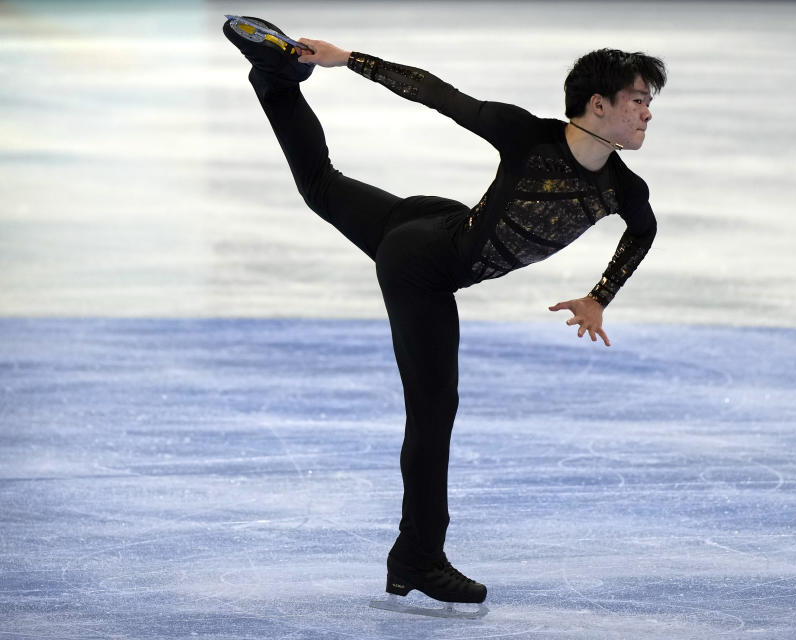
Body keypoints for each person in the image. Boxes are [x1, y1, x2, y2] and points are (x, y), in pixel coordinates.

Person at [223, 16, 665, 607]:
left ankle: (275, 81)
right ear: (598, 103)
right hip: (423, 267)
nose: (647, 113)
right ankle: (419, 557)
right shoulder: (526, 135)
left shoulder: (622, 188)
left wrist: (598, 296)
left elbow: (643, 233)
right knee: (433, 412)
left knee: (322, 186)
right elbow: (437, 94)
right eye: (638, 100)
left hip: (432, 223)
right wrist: (346, 58)